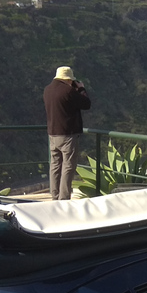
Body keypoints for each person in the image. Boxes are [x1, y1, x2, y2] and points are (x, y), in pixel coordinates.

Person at [43, 66, 91, 200]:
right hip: (67, 134)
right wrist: (81, 88)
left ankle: (55, 194)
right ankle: (63, 197)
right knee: (68, 166)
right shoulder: (68, 91)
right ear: (68, 79)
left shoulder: (47, 90)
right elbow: (86, 104)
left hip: (52, 133)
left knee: (55, 165)